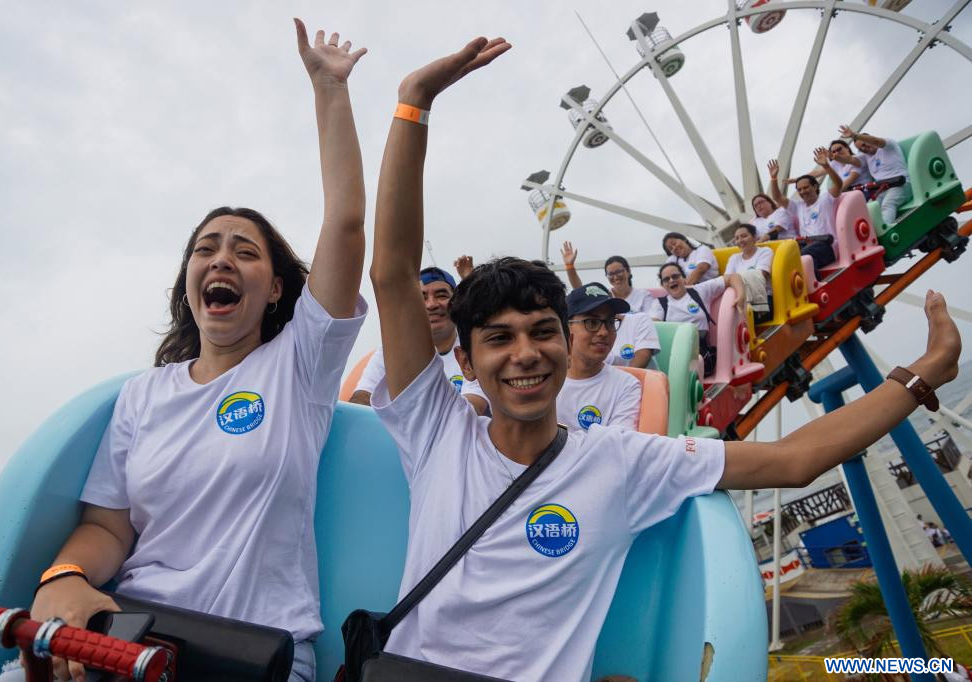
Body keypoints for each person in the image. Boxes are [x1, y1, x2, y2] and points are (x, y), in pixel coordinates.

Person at [368, 34, 960, 681]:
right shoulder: (435, 432)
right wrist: (412, 105)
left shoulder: (622, 461)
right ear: (467, 358)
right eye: (499, 339)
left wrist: (922, 372)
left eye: (542, 332)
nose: (525, 355)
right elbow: (390, 272)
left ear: (565, 345)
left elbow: (794, 459)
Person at [0, 21, 368, 682]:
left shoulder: (299, 366)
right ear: (189, 280)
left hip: (252, 652)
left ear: (277, 289)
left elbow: (344, 224)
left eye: (244, 250)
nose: (221, 257)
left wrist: (328, 91)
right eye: (206, 247)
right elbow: (110, 529)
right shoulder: (143, 394)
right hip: (132, 637)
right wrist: (66, 574)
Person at [350, 266, 488, 415]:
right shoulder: (390, 353)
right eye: (422, 298)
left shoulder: (476, 347)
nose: (431, 305)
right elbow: (361, 400)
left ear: (457, 304)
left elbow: (472, 409)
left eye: (441, 295)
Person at [556, 283, 642, 431]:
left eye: (609, 322)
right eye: (592, 322)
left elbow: (617, 445)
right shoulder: (546, 379)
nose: (604, 332)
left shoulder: (626, 386)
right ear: (566, 327)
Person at [649, 262, 746, 376]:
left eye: (675, 276)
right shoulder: (659, 304)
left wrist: (741, 296)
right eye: (666, 279)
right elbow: (655, 326)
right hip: (676, 353)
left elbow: (733, 277)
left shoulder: (700, 291)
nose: (671, 280)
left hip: (700, 350)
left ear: (684, 278)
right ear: (663, 285)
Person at [768, 149, 842, 270]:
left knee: (802, 258)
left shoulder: (825, 199)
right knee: (780, 260)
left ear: (815, 186)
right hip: (806, 245)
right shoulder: (797, 207)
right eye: (799, 189)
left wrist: (826, 166)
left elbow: (838, 184)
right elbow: (777, 197)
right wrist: (774, 179)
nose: (803, 192)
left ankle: (813, 287)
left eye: (806, 187)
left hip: (827, 245)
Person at [840, 124, 913, 224]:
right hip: (883, 189)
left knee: (887, 204)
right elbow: (850, 159)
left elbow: (876, 141)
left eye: (864, 145)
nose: (864, 149)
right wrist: (833, 157)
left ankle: (886, 232)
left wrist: (854, 135)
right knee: (869, 208)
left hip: (901, 184)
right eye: (861, 149)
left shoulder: (887, 145)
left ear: (869, 139)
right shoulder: (866, 156)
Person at [561, 242, 654, 313]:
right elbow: (581, 290)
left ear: (628, 271)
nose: (616, 277)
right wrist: (570, 266)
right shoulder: (604, 295)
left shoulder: (643, 295)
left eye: (619, 272)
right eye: (611, 274)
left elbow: (651, 322)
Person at [725, 224, 774, 323]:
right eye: (737, 238)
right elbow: (726, 279)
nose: (740, 241)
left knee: (734, 321)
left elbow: (760, 276)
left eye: (744, 236)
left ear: (755, 237)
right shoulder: (734, 258)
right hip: (739, 299)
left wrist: (735, 280)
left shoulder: (765, 252)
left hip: (762, 300)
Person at [785, 138, 872, 193]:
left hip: (863, 191)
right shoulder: (835, 163)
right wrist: (797, 179)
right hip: (848, 193)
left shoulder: (857, 159)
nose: (837, 153)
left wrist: (830, 196)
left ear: (847, 148)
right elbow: (817, 173)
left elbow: (848, 182)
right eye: (833, 152)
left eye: (839, 149)